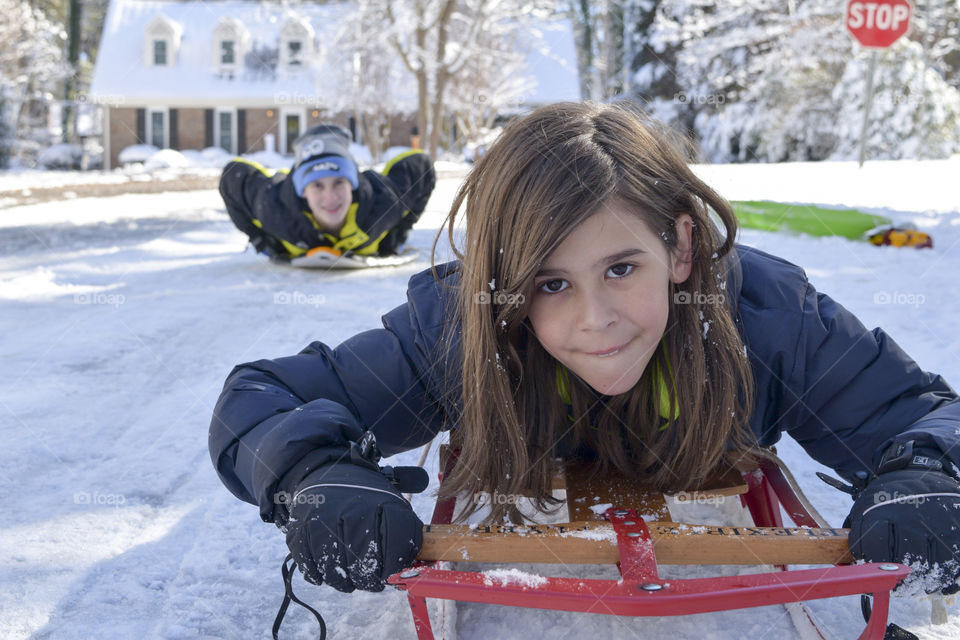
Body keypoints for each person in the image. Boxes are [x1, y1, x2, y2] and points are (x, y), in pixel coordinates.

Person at [209, 102, 960, 599]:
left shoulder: (764, 317)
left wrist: (928, 475)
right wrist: (315, 471)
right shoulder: (464, 324)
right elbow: (258, 399)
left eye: (622, 269)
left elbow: (921, 416)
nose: (595, 319)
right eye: (550, 283)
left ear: (683, 246)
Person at [219, 123, 435, 261]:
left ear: (352, 184)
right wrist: (261, 240)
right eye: (317, 185)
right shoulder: (275, 211)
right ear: (303, 191)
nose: (330, 197)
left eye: (339, 182)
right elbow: (232, 176)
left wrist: (398, 232)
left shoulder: (383, 205)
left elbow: (421, 165)